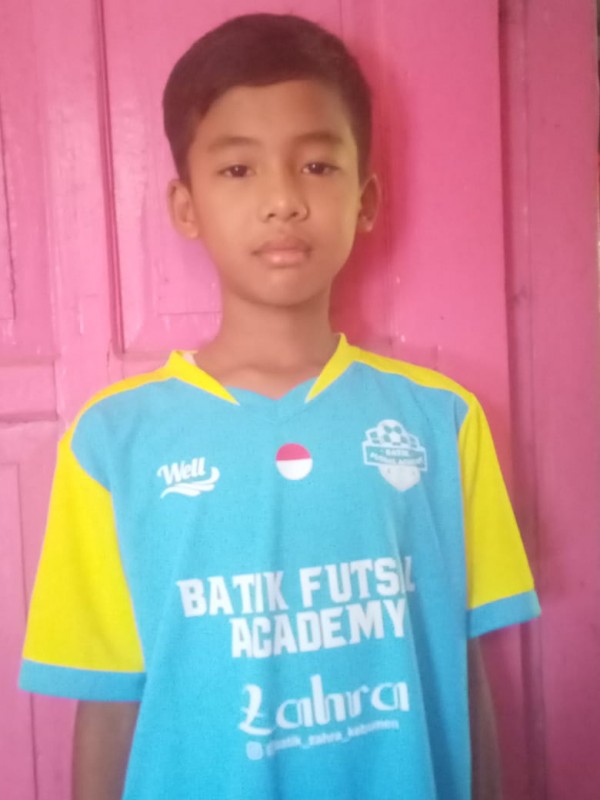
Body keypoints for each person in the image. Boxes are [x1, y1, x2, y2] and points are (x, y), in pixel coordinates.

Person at [18, 12, 540, 800]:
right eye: (238, 169)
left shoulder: (442, 422)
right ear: (186, 207)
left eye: (318, 166)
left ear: (365, 199)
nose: (283, 200)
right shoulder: (111, 444)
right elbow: (109, 701)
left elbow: (460, 668)